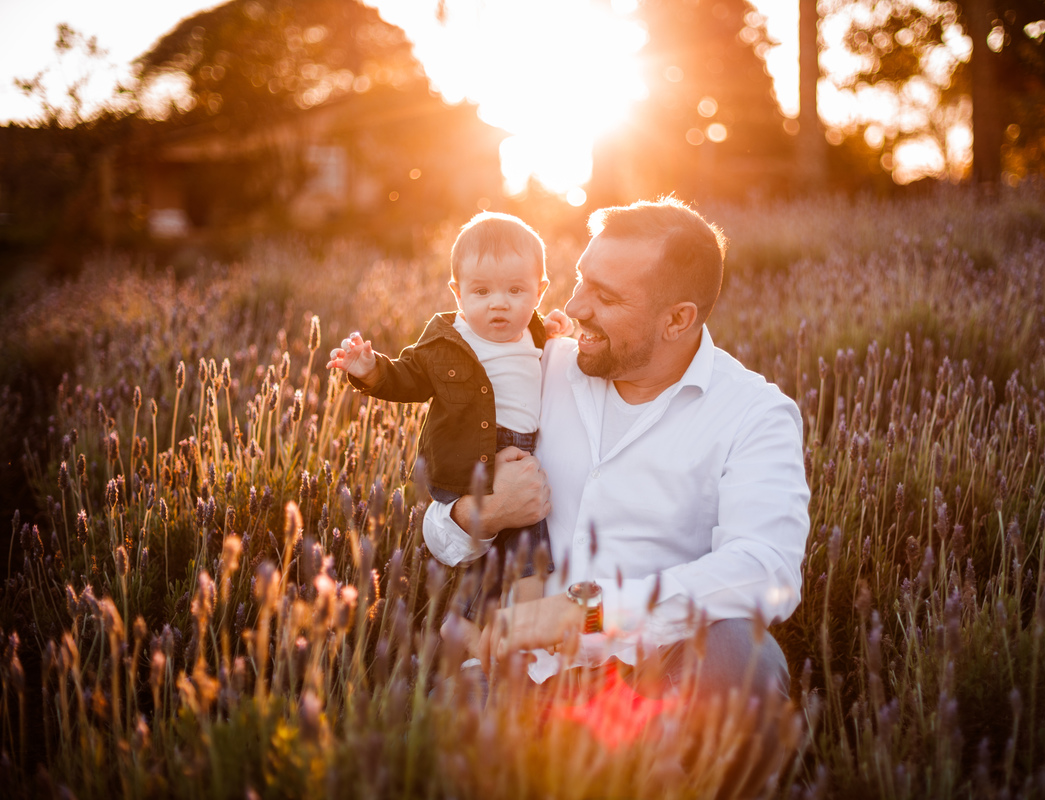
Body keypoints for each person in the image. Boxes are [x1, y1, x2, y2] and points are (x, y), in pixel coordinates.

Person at [422, 197, 810, 705]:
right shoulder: (537, 367)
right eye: (581, 279)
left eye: (604, 296)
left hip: (653, 676)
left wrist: (590, 611)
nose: (576, 306)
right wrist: (487, 511)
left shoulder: (753, 413)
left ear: (677, 320)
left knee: (744, 655)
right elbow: (438, 527)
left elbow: (768, 569)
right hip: (521, 670)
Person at [326, 212, 572, 614]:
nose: (499, 303)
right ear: (457, 294)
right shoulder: (447, 342)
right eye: (481, 292)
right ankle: (470, 627)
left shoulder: (535, 331)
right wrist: (369, 368)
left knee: (532, 557)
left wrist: (557, 328)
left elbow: (545, 358)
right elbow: (407, 378)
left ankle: (521, 630)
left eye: (515, 290)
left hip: (525, 454)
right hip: (471, 454)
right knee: (483, 558)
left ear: (539, 292)